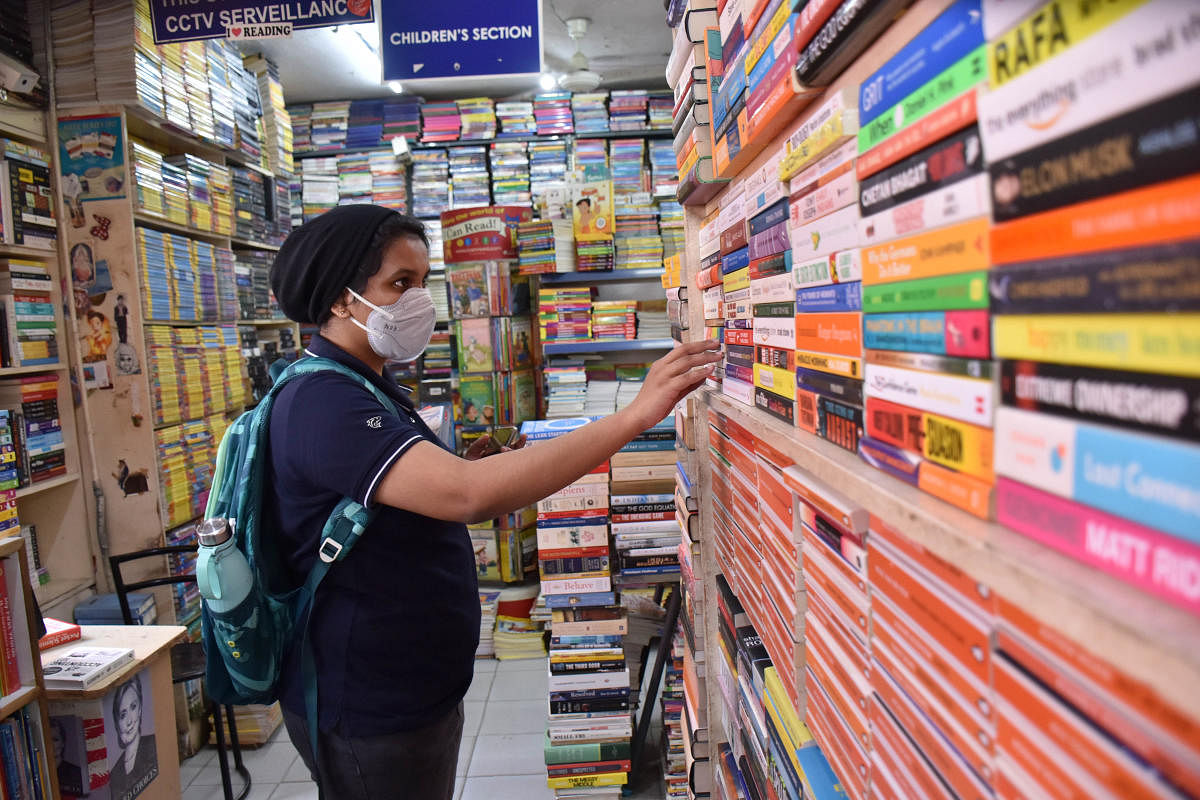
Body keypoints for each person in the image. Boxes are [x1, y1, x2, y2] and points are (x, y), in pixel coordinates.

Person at [265, 204, 719, 800]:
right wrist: (635, 414)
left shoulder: (362, 381)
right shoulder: (325, 400)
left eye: (422, 282)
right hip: (369, 698)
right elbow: (467, 496)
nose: (418, 301)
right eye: (399, 284)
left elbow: (418, 490)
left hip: (405, 683)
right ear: (339, 299)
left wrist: (461, 466)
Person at [107, 676, 158, 800]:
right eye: (123, 715)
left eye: (133, 707)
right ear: (116, 722)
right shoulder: (114, 774)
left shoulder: (153, 747)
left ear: (140, 709)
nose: (129, 721)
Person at [49, 716, 84, 796]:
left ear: (62, 743)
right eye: (47, 740)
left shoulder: (76, 773)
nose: (51, 744)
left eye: (55, 739)